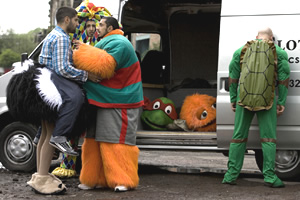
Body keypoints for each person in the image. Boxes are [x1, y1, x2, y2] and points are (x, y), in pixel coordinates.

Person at [26, 6, 99, 194]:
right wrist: (86, 75)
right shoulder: (60, 38)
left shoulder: (54, 35)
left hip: (43, 86)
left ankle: (39, 174)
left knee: (44, 134)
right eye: (76, 20)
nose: (77, 24)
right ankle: (42, 177)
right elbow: (62, 68)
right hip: (53, 88)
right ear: (67, 20)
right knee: (52, 132)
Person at [72, 16, 144, 192]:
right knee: (93, 140)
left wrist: (79, 52)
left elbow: (104, 66)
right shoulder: (105, 42)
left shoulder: (119, 42)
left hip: (120, 101)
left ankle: (123, 180)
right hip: (103, 99)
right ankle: (93, 179)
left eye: (101, 25)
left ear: (110, 27)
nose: (98, 27)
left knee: (116, 142)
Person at [222, 27, 290, 188]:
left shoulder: (242, 50)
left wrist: (233, 98)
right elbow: (284, 78)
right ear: (272, 38)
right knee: (268, 138)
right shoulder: (279, 53)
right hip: (267, 100)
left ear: (256, 37)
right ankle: (270, 177)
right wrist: (281, 102)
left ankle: (231, 175)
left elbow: (233, 76)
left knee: (238, 137)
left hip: (243, 99)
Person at [51, 0, 112, 179]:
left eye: (95, 25)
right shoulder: (73, 43)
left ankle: (94, 167)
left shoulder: (103, 43)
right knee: (73, 127)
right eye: (89, 25)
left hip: (97, 90)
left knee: (95, 131)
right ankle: (68, 164)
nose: (92, 28)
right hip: (79, 87)